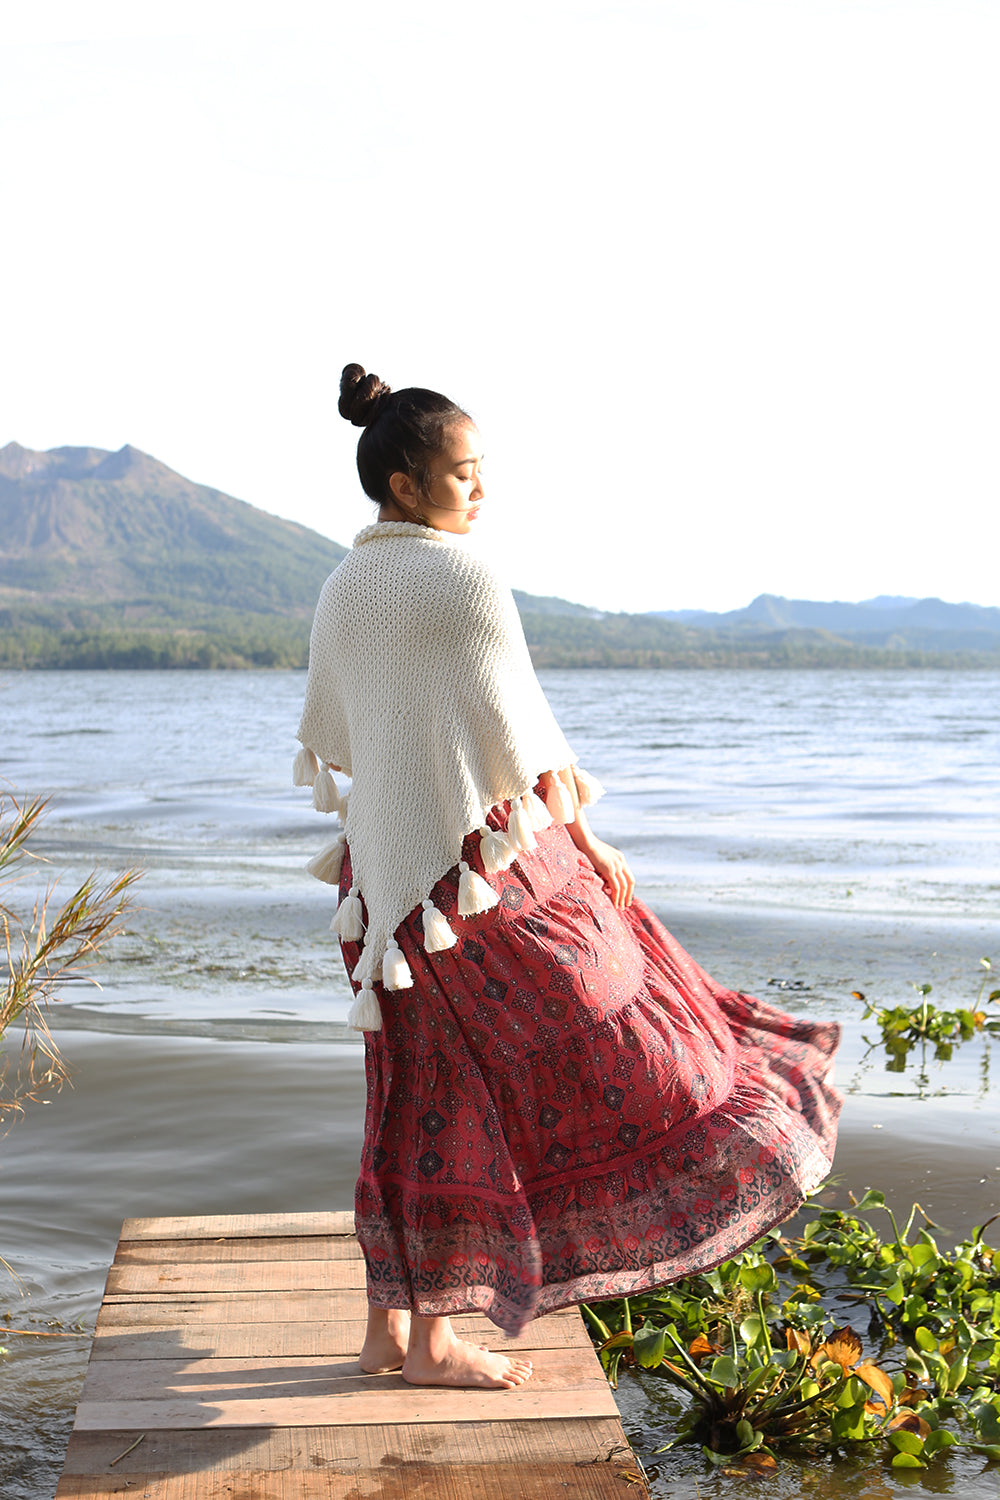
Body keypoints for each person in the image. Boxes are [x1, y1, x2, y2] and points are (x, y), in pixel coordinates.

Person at [295, 363, 841, 1391]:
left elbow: (360, 738)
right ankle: (434, 1348)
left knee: (410, 1091)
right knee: (620, 1030)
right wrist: (585, 842)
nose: (480, 492)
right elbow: (522, 731)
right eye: (463, 476)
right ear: (406, 485)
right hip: (482, 876)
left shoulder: (343, 584)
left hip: (382, 889)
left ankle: (391, 1329)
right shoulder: (462, 575)